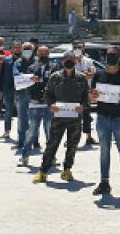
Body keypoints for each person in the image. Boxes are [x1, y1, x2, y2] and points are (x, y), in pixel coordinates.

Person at [33, 52, 91, 183]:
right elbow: (47, 94)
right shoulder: (55, 77)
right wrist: (50, 105)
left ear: (76, 62)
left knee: (72, 145)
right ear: (63, 62)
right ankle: (43, 171)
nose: (69, 62)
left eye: (72, 60)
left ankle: (67, 170)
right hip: (59, 117)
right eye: (66, 60)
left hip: (75, 118)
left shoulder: (81, 78)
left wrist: (84, 106)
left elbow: (86, 96)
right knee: (52, 144)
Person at [89, 46, 120, 196]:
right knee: (104, 151)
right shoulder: (98, 75)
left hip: (119, 118)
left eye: (113, 55)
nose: (110, 57)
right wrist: (93, 96)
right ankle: (104, 182)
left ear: (119, 58)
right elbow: (91, 98)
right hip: (102, 117)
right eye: (108, 55)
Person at [18, 46, 58, 166]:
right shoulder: (31, 67)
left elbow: (54, 82)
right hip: (34, 104)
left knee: (49, 132)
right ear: (37, 54)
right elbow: (27, 82)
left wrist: (39, 79)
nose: (43, 55)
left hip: (49, 104)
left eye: (45, 52)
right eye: (40, 52)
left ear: (48, 53)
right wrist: (33, 80)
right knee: (31, 131)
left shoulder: (54, 67)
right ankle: (24, 156)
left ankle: (52, 157)